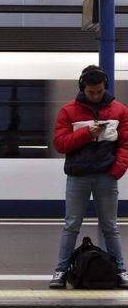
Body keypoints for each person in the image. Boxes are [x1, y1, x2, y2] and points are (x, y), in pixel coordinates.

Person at [49, 65, 128, 288]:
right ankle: (61, 271)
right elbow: (59, 144)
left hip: (106, 176)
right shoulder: (68, 111)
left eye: (99, 91)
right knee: (71, 225)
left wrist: (117, 170)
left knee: (110, 226)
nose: (95, 96)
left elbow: (126, 144)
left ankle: (120, 270)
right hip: (78, 176)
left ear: (105, 88)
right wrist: (86, 133)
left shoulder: (119, 111)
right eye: (91, 91)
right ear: (83, 88)